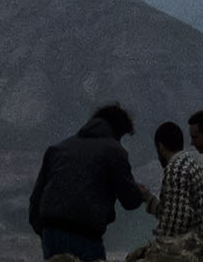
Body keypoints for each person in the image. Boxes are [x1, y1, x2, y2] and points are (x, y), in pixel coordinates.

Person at [28, 104, 147, 261]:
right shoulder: (113, 151)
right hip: (85, 235)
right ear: (119, 130)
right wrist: (140, 193)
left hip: (51, 232)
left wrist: (46, 231)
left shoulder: (59, 149)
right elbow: (130, 200)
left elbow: (36, 199)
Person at [146, 120, 203, 238]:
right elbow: (176, 210)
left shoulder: (177, 169)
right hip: (202, 243)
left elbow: (176, 224)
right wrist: (148, 199)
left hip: (189, 249)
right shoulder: (194, 164)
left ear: (160, 146)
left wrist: (155, 248)